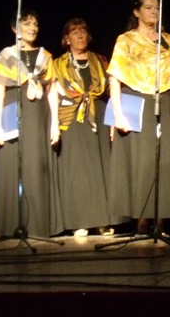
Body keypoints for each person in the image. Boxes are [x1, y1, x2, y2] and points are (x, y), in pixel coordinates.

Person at [106, 0, 170, 232]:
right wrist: (117, 114)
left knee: (164, 160)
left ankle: (162, 218)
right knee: (141, 161)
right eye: (149, 7)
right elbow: (115, 78)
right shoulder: (126, 40)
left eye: (157, 8)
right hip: (136, 101)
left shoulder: (168, 39)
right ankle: (141, 218)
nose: (154, 11)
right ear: (137, 12)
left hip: (165, 100)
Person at [0, 10, 63, 238]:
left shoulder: (45, 57)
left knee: (36, 166)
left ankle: (38, 225)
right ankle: (10, 224)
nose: (32, 28)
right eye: (27, 23)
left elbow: (52, 92)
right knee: (12, 165)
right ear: (15, 29)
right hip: (13, 111)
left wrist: (55, 124)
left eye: (35, 24)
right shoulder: (6, 55)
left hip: (37, 114)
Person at [52, 18, 112, 237]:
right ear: (66, 39)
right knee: (79, 172)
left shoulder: (101, 61)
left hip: (100, 115)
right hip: (72, 118)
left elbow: (111, 92)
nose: (79, 35)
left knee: (102, 168)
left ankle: (103, 220)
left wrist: (114, 121)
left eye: (83, 31)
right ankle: (81, 221)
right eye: (74, 32)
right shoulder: (57, 64)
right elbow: (53, 93)